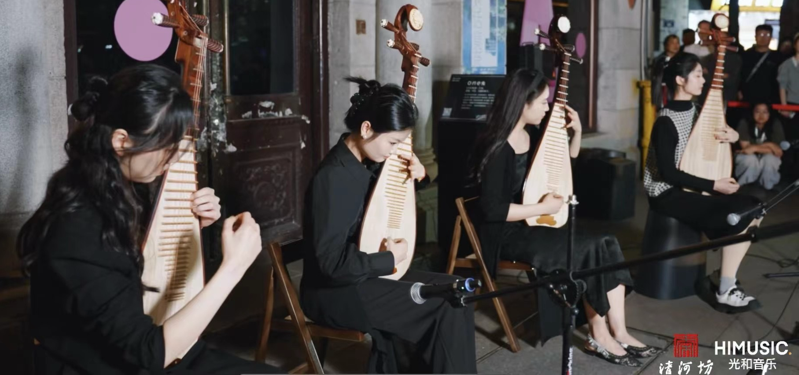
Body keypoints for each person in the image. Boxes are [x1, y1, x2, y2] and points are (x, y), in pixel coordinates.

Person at [17, 65, 280, 374]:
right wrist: (233, 267)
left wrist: (191, 226)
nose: (175, 158)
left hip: (146, 351)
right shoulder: (78, 227)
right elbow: (149, 354)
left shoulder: (116, 187)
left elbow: (135, 264)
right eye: (167, 147)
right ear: (122, 141)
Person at [470, 69, 660, 368]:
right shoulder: (498, 147)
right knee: (587, 250)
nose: (547, 108)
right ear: (522, 103)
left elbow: (560, 167)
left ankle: (620, 331)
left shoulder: (530, 135)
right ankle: (598, 334)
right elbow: (493, 210)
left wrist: (577, 134)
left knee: (607, 242)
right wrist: (542, 208)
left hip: (534, 223)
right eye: (542, 102)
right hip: (507, 234)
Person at [299, 77, 477, 374]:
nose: (394, 151)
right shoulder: (332, 178)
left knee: (457, 293)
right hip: (334, 293)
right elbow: (330, 263)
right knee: (441, 305)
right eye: (393, 142)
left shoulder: (367, 163)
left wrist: (417, 176)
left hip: (365, 275)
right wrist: (389, 259)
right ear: (366, 129)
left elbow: (377, 206)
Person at [644, 54, 763, 314]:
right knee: (738, 212)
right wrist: (714, 185)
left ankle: (724, 277)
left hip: (695, 185)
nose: (702, 80)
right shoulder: (665, 120)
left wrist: (733, 136)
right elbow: (668, 174)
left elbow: (714, 145)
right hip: (668, 193)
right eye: (697, 75)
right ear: (680, 80)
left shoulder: (699, 112)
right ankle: (725, 290)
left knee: (755, 208)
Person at [735, 103, 785, 190]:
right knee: (750, 159)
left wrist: (755, 147)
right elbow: (746, 149)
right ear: (752, 112)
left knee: (770, 159)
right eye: (757, 112)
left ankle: (768, 186)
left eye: (765, 112)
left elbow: (778, 151)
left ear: (769, 114)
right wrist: (771, 147)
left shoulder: (775, 123)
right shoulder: (744, 122)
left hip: (766, 155)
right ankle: (743, 186)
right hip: (747, 155)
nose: (761, 116)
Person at [740, 24, 781, 105]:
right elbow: (740, 75)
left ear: (771, 37)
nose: (763, 38)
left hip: (770, 97)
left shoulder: (778, 57)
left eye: (767, 35)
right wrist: (739, 90)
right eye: (760, 34)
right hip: (748, 95)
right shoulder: (746, 55)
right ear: (755, 36)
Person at [777, 34, 799, 140]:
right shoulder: (786, 64)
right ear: (794, 45)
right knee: (792, 135)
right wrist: (784, 106)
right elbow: (782, 87)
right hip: (792, 104)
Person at [651, 34, 681, 109]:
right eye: (672, 43)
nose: (675, 46)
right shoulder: (659, 60)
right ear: (666, 45)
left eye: (677, 43)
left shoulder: (682, 60)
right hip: (664, 93)